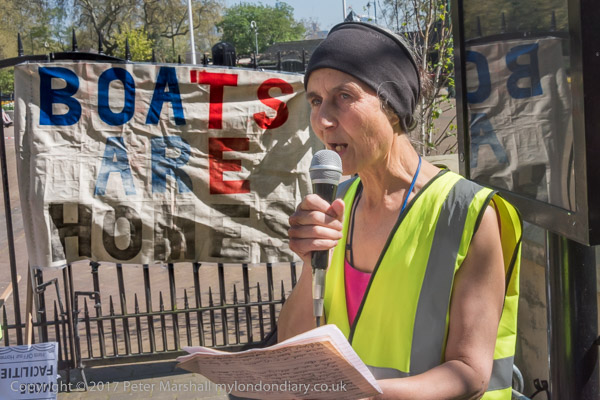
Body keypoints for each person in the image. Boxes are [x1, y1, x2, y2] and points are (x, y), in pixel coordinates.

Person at [277, 22, 521, 400]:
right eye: (315, 100)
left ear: (392, 108)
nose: (323, 119)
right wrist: (311, 263)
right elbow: (292, 344)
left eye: (344, 96)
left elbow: (471, 373)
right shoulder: (336, 204)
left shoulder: (468, 213)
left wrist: (365, 396)